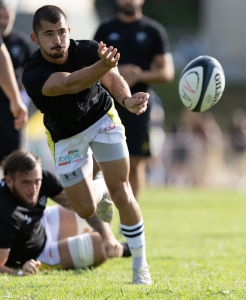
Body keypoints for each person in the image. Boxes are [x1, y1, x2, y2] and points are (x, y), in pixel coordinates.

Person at [22, 5, 151, 284]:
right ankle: (101, 185)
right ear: (36, 39)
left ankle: (140, 267)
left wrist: (126, 99)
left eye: (61, 32)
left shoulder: (87, 49)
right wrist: (103, 65)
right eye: (48, 34)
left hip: (101, 119)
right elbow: (69, 84)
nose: (57, 40)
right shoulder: (32, 72)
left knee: (123, 192)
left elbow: (111, 77)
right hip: (65, 136)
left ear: (69, 31)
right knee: (83, 209)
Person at [94, 0, 175, 200]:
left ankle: (131, 220)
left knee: (136, 160)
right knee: (97, 160)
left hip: (141, 105)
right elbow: (91, 65)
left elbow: (167, 72)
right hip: (107, 103)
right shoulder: (105, 28)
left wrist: (139, 75)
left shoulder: (153, 30)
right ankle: (97, 210)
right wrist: (117, 73)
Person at [0, 150, 126, 276]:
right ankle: (122, 248)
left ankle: (116, 244)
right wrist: (20, 273)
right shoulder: (6, 215)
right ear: (9, 181)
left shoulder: (41, 178)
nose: (33, 189)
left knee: (100, 216)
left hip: (42, 222)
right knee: (100, 244)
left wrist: (107, 236)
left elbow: (82, 207)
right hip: (38, 254)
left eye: (37, 181)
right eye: (26, 183)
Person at [0, 0, 31, 162]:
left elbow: (28, 72)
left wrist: (20, 98)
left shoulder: (21, 41)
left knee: (13, 159)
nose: (3, 22)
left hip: (11, 107)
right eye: (0, 17)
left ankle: (9, 187)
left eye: (7, 17)